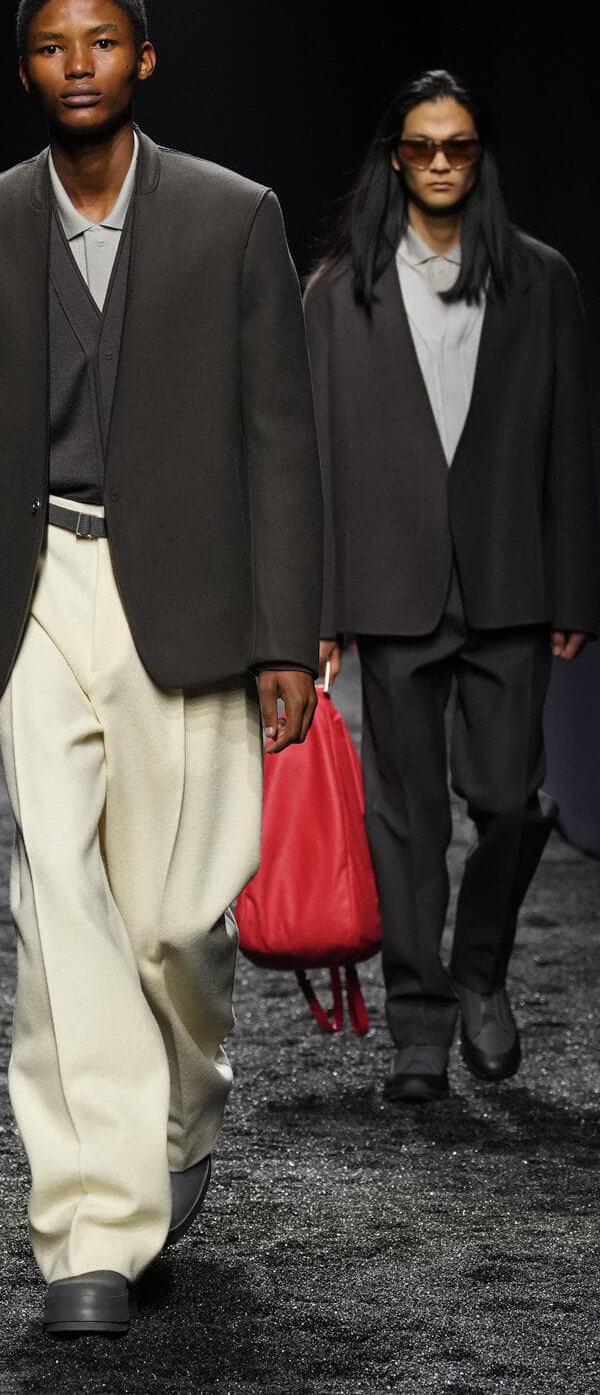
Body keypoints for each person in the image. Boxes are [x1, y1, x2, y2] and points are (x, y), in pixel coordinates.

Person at [0, 0, 322, 1333]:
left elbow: (279, 434)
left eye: (101, 41)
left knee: (171, 923)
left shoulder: (232, 215)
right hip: (38, 588)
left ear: (144, 60)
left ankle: (183, 1113)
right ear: (25, 70)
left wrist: (285, 631)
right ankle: (90, 1225)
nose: (77, 63)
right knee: (60, 911)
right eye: (51, 45)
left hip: (194, 598)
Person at [306, 70, 600, 1104]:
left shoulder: (539, 280)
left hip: (510, 580)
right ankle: (420, 1029)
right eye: (422, 146)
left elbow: (570, 444)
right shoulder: (338, 293)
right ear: (395, 158)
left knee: (506, 803)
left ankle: (478, 970)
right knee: (405, 818)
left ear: (479, 157)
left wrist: (575, 589)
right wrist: (318, 611)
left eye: (459, 145)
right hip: (390, 588)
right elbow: (315, 463)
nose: (440, 162)